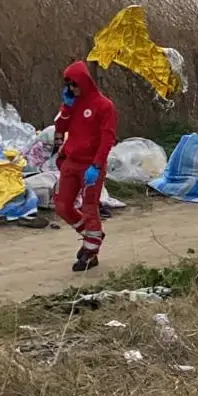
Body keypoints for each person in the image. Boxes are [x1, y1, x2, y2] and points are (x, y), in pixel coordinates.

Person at [53, 61, 118, 271]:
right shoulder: (73, 105)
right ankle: (92, 236)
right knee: (63, 205)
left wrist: (97, 165)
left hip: (91, 165)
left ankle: (91, 252)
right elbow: (60, 128)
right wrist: (66, 107)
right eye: (68, 85)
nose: (72, 89)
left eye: (74, 84)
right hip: (71, 162)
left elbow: (107, 138)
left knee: (89, 207)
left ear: (84, 82)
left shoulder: (104, 106)